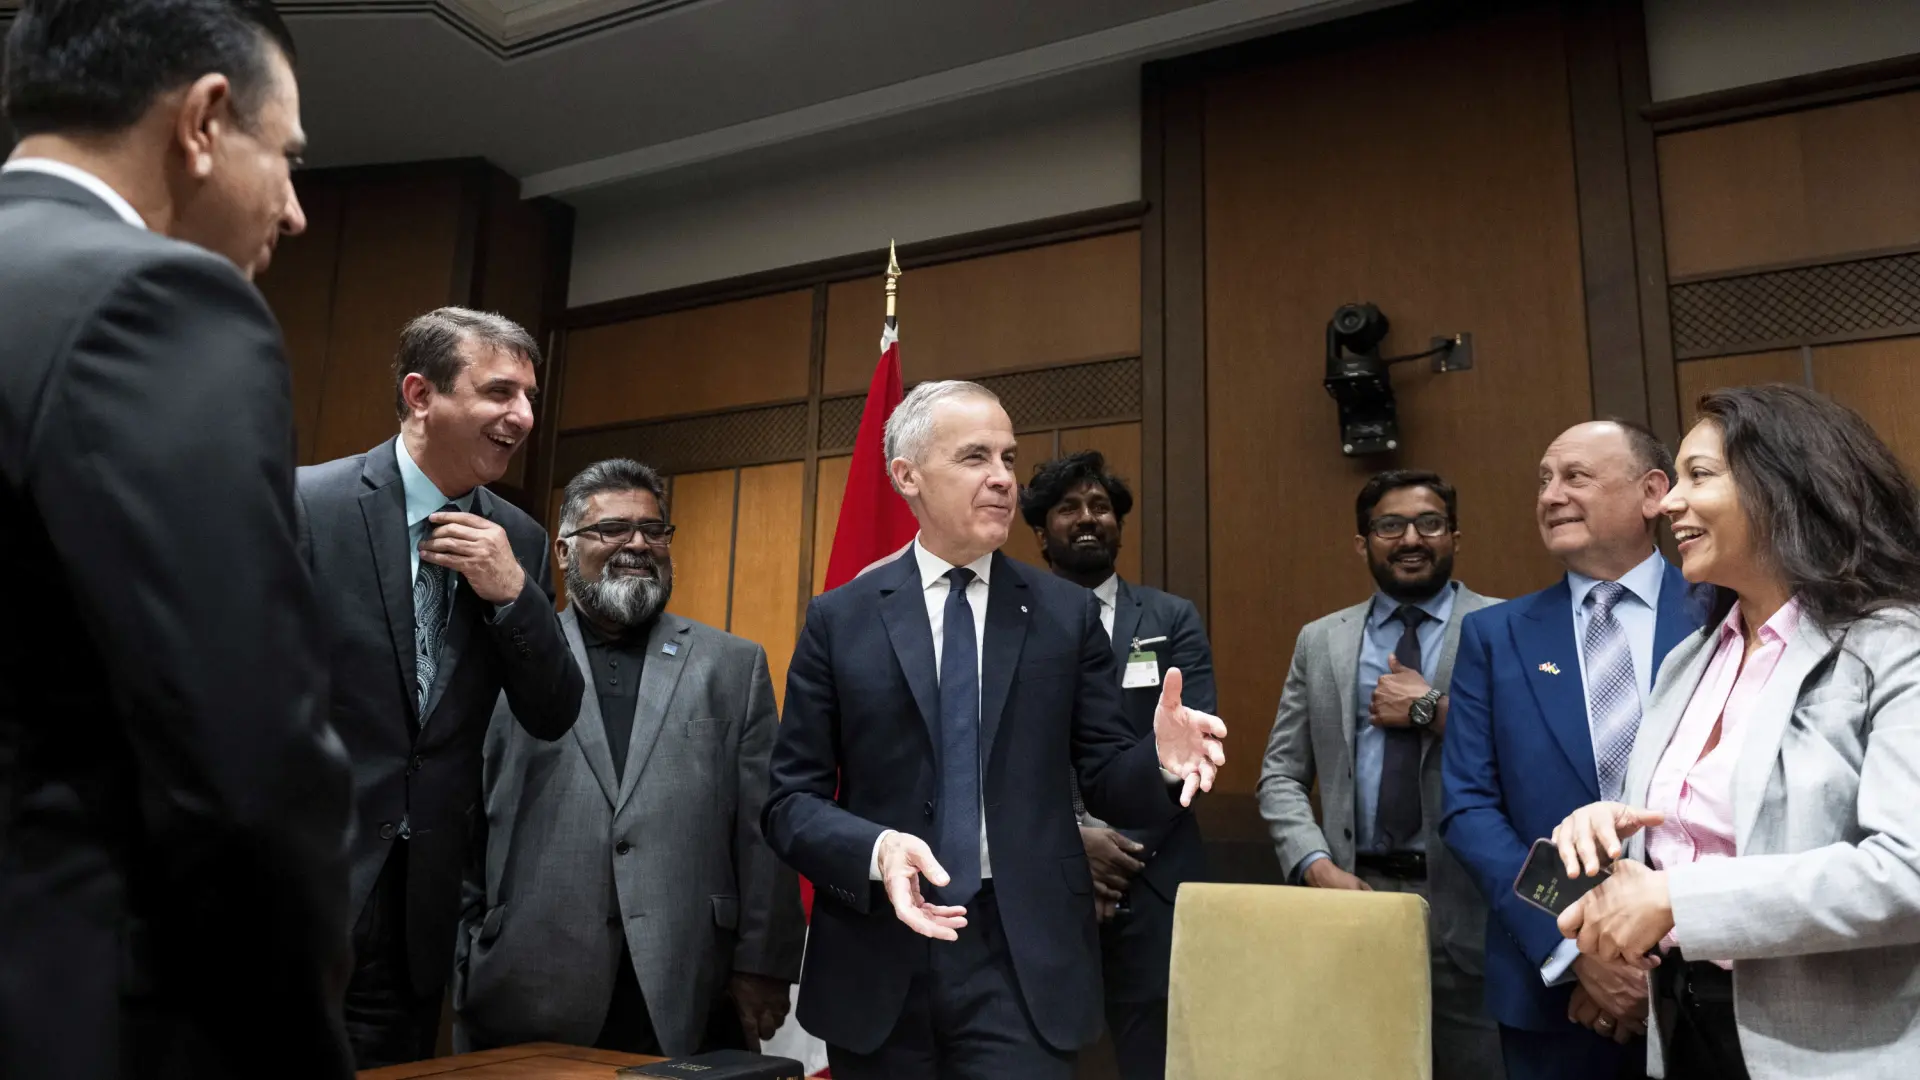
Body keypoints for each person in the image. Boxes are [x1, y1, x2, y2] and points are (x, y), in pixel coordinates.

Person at [0, 2, 356, 1077]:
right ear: (203, 120)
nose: (295, 210)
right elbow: (249, 770)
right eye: (288, 158)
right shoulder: (152, 300)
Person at [764, 380, 1227, 1080]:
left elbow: (1106, 775)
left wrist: (1160, 761)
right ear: (908, 476)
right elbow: (788, 801)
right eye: (975, 457)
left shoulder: (1064, 615)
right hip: (878, 953)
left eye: (1008, 458)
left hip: (1021, 961)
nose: (1004, 478)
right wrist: (877, 849)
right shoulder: (840, 619)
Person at [1550, 384, 1920, 1080]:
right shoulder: (1690, 660)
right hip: (1684, 1026)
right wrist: (1608, 832)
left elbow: (1908, 872)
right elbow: (1685, 839)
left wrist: (1676, 900)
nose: (1667, 503)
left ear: (1786, 485)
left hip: (1837, 1051)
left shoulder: (1895, 647)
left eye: (1699, 475)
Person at [297, 307, 585, 1067]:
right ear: (421, 395)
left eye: (529, 397)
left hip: (418, 911)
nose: (522, 417)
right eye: (499, 392)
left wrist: (514, 595)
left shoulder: (521, 539)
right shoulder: (307, 505)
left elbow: (553, 710)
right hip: (297, 886)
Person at [454, 459, 805, 1057]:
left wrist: (763, 962)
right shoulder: (504, 658)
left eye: (653, 530)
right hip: (527, 979)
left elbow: (763, 827)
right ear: (564, 551)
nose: (638, 544)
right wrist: (464, 949)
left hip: (690, 981)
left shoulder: (732, 665)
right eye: (612, 529)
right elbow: (462, 812)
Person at [1441, 421, 1703, 1080]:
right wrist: (1580, 947)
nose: (1551, 496)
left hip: (1710, 981)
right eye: (1544, 481)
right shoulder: (1495, 636)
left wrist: (1654, 959)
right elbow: (1469, 809)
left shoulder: (1724, 613)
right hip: (1554, 994)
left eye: (1575, 477)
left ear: (1652, 493)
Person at [1258, 470, 1503, 1080]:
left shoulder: (1506, 628)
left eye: (1430, 523)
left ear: (1455, 537)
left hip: (1469, 914)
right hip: (1352, 900)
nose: (1411, 539)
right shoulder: (1322, 641)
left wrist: (1429, 709)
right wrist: (1313, 865)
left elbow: (1528, 759)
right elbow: (1281, 774)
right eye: (1390, 526)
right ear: (1362, 542)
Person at [1018, 450, 1216, 1080]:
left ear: (1119, 526)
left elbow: (1195, 745)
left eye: (1100, 506)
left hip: (1154, 880)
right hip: (1043, 878)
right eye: (1068, 507)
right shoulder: (1012, 623)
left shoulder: (1169, 617)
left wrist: (1117, 850)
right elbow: (1009, 755)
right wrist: (1074, 844)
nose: (1087, 518)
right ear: (1040, 530)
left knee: (1155, 1059)